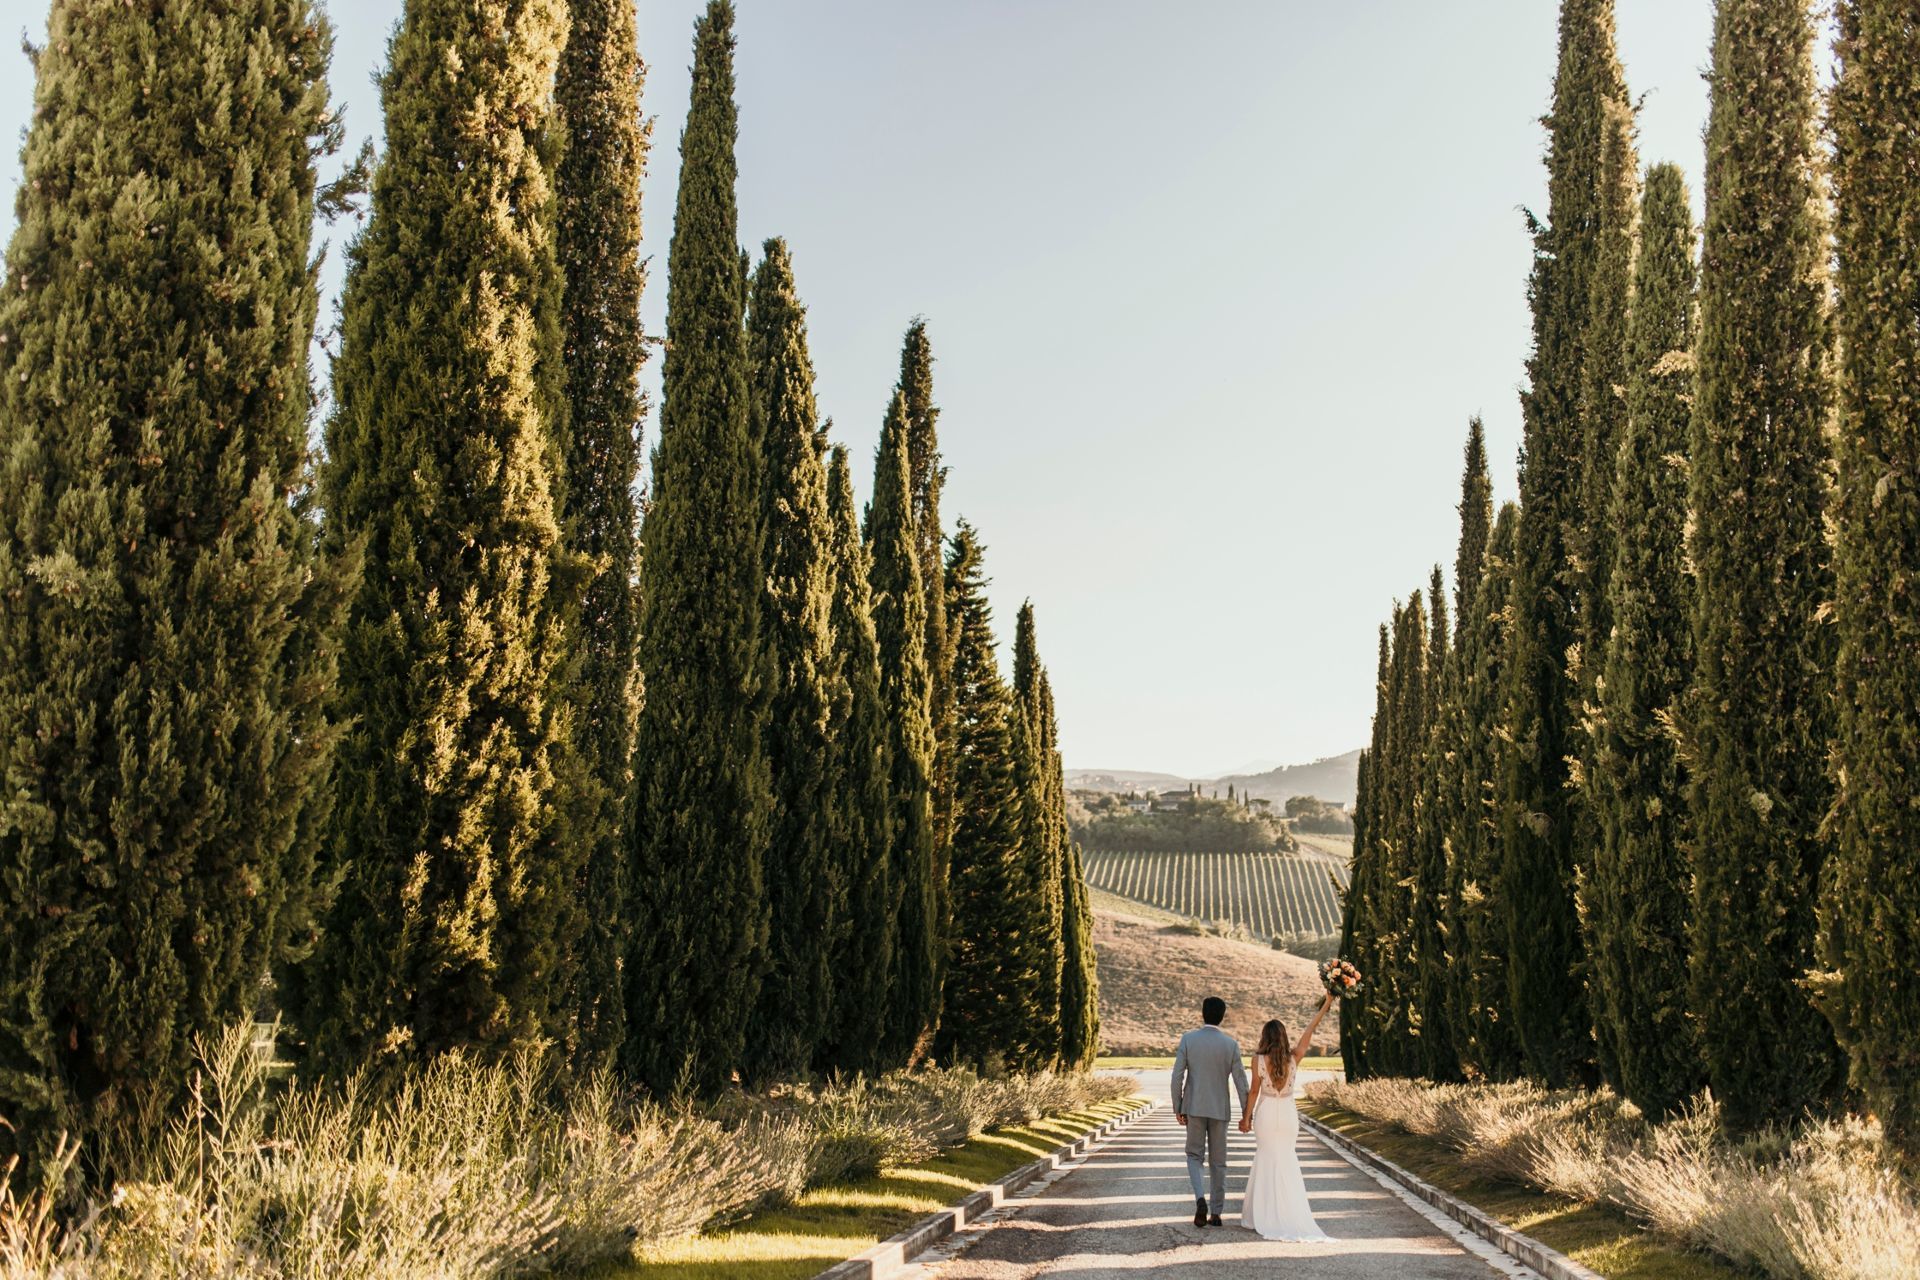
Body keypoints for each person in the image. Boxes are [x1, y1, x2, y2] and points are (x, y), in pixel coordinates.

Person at [1238, 993, 1335, 1241]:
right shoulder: (1294, 1057)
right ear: (1283, 1037)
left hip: (1267, 1113)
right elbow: (1310, 1029)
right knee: (1287, 1159)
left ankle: (1264, 1214)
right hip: (1288, 1115)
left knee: (1266, 1158)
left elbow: (1254, 1091)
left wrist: (1246, 1118)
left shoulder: (1258, 1060)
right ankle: (1290, 1213)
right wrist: (1327, 1003)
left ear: (1265, 1037)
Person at [1171, 995, 1248, 1228]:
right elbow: (1241, 1082)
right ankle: (1216, 1213)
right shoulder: (1231, 1045)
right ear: (1222, 1017)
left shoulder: (1188, 1040)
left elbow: (1177, 1076)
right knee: (1218, 1162)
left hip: (1194, 1107)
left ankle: (1199, 1199)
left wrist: (1178, 1105)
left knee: (1194, 1156)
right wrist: (1247, 1113)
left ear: (1202, 1014)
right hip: (1219, 1110)